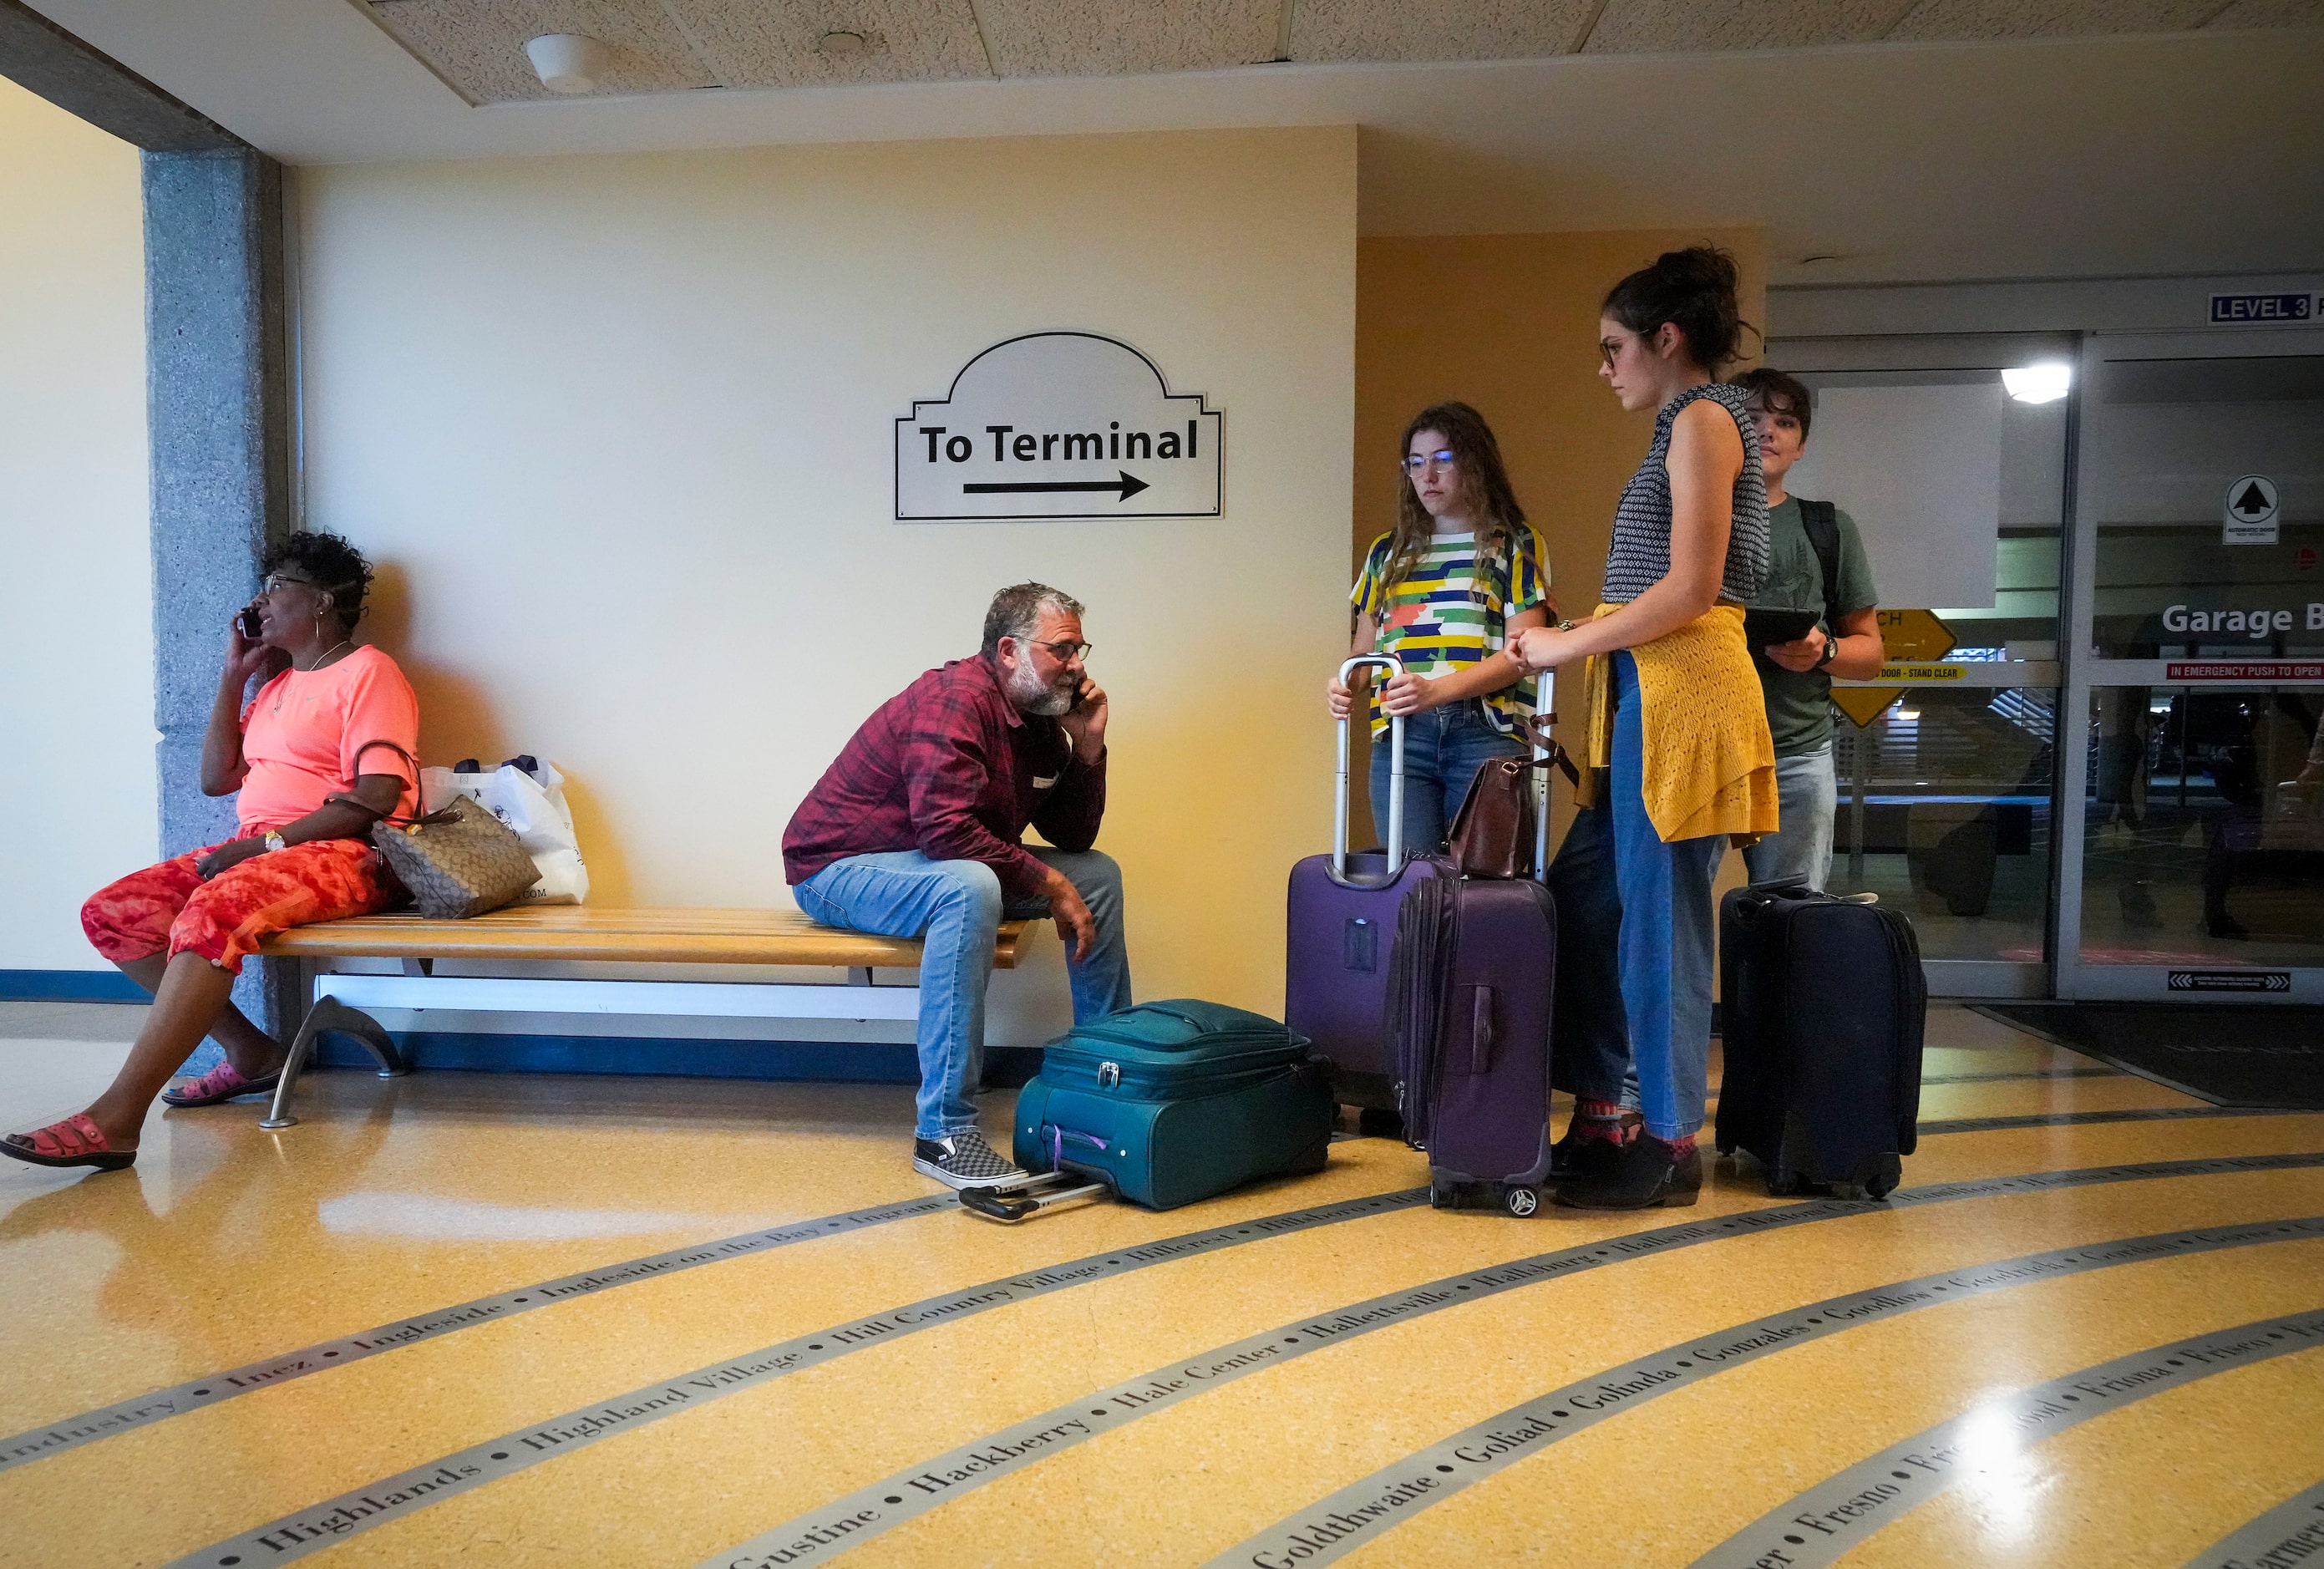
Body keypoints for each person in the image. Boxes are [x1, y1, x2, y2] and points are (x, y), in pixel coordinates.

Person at [4, 532, 419, 1171]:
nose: (261, 600)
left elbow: (376, 794)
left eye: (277, 586)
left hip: (347, 851)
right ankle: (254, 1055)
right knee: (114, 912)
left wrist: (263, 845)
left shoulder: (368, 672)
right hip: (261, 849)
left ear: (324, 602)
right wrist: (235, 675)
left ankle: (117, 1118)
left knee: (213, 907)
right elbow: (215, 778)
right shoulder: (275, 688)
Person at [1510, 246, 1778, 1211]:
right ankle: (1609, 1109)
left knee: (1658, 931)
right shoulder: (1684, 423)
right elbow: (1655, 592)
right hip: (1647, 693)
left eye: (1613, 346)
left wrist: (1564, 646)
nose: (1604, 365)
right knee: (1587, 900)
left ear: (1667, 340)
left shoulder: (1704, 420)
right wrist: (1574, 639)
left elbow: (1692, 591)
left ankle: (1667, 1140)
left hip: (1684, 696)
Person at [783, 582, 1131, 1190]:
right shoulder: (954, 701)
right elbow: (945, 833)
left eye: (1081, 649)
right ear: (1008, 651)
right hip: (837, 867)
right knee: (968, 886)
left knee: (1097, 875)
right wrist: (1048, 883)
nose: (1079, 665)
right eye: (1063, 649)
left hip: (926, 860)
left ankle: (1109, 1084)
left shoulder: (1037, 715)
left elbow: (1072, 836)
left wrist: (1090, 745)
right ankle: (943, 1130)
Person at [1327, 403, 1553, 856]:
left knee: (1484, 879)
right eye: (1416, 462)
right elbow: (1365, 654)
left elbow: (1526, 651)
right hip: (1402, 734)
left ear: (1474, 463)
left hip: (1486, 730)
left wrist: (1437, 691)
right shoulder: (1387, 551)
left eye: (1443, 459)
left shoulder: (1514, 542)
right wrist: (1345, 683)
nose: (1427, 475)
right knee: (1409, 881)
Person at [1730, 367, 1884, 891]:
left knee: (1792, 919)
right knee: (1675, 917)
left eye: (1785, 421)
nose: (1768, 431)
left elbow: (1870, 656)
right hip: (1698, 745)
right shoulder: (1680, 518)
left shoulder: (1828, 527)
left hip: (1796, 749)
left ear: (1801, 445)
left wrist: (1824, 650)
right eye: (1751, 418)